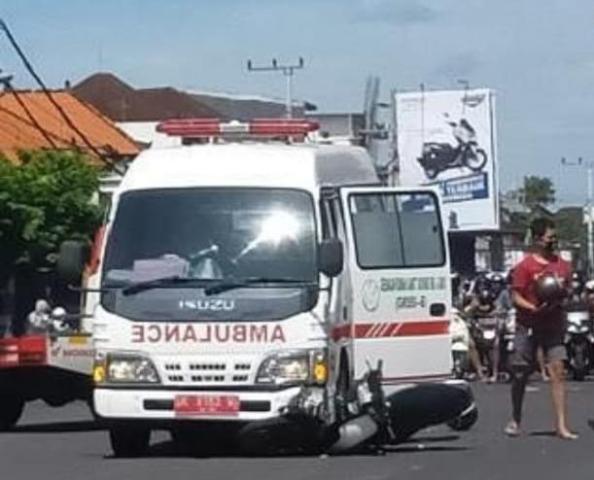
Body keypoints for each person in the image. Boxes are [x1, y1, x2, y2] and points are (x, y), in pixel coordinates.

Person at [504, 217, 577, 440]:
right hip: (528, 326)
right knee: (520, 374)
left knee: (558, 371)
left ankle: (561, 426)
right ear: (537, 239)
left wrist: (562, 297)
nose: (553, 242)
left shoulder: (563, 266)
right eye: (549, 238)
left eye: (555, 238)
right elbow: (515, 296)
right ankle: (516, 417)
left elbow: (568, 291)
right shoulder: (524, 267)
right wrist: (532, 307)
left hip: (553, 325)